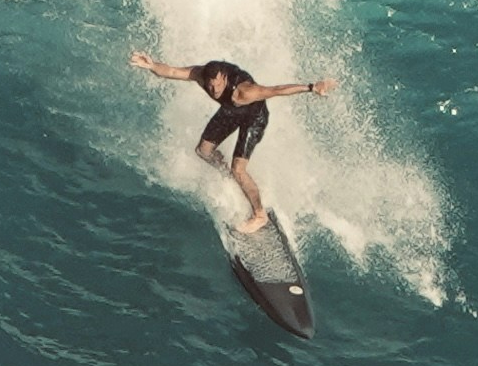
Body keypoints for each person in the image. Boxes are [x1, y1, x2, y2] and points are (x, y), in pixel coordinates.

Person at [131, 51, 335, 232]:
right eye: (209, 86)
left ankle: (260, 215)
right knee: (203, 151)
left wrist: (311, 87)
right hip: (231, 112)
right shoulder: (201, 74)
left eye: (217, 85)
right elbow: (172, 71)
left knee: (239, 169)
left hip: (254, 118)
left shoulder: (244, 91)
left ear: (224, 77)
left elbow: (277, 89)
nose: (213, 90)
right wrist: (151, 65)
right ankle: (228, 173)